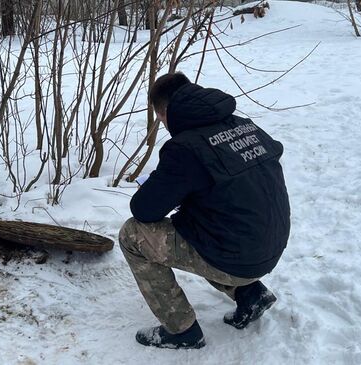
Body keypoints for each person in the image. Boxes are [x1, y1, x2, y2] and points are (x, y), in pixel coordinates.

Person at [118, 72, 291, 349]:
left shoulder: (185, 148)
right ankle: (250, 294)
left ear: (163, 111)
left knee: (132, 235)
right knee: (207, 225)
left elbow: (144, 210)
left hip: (237, 256)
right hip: (271, 246)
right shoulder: (244, 126)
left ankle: (181, 330)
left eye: (159, 118)